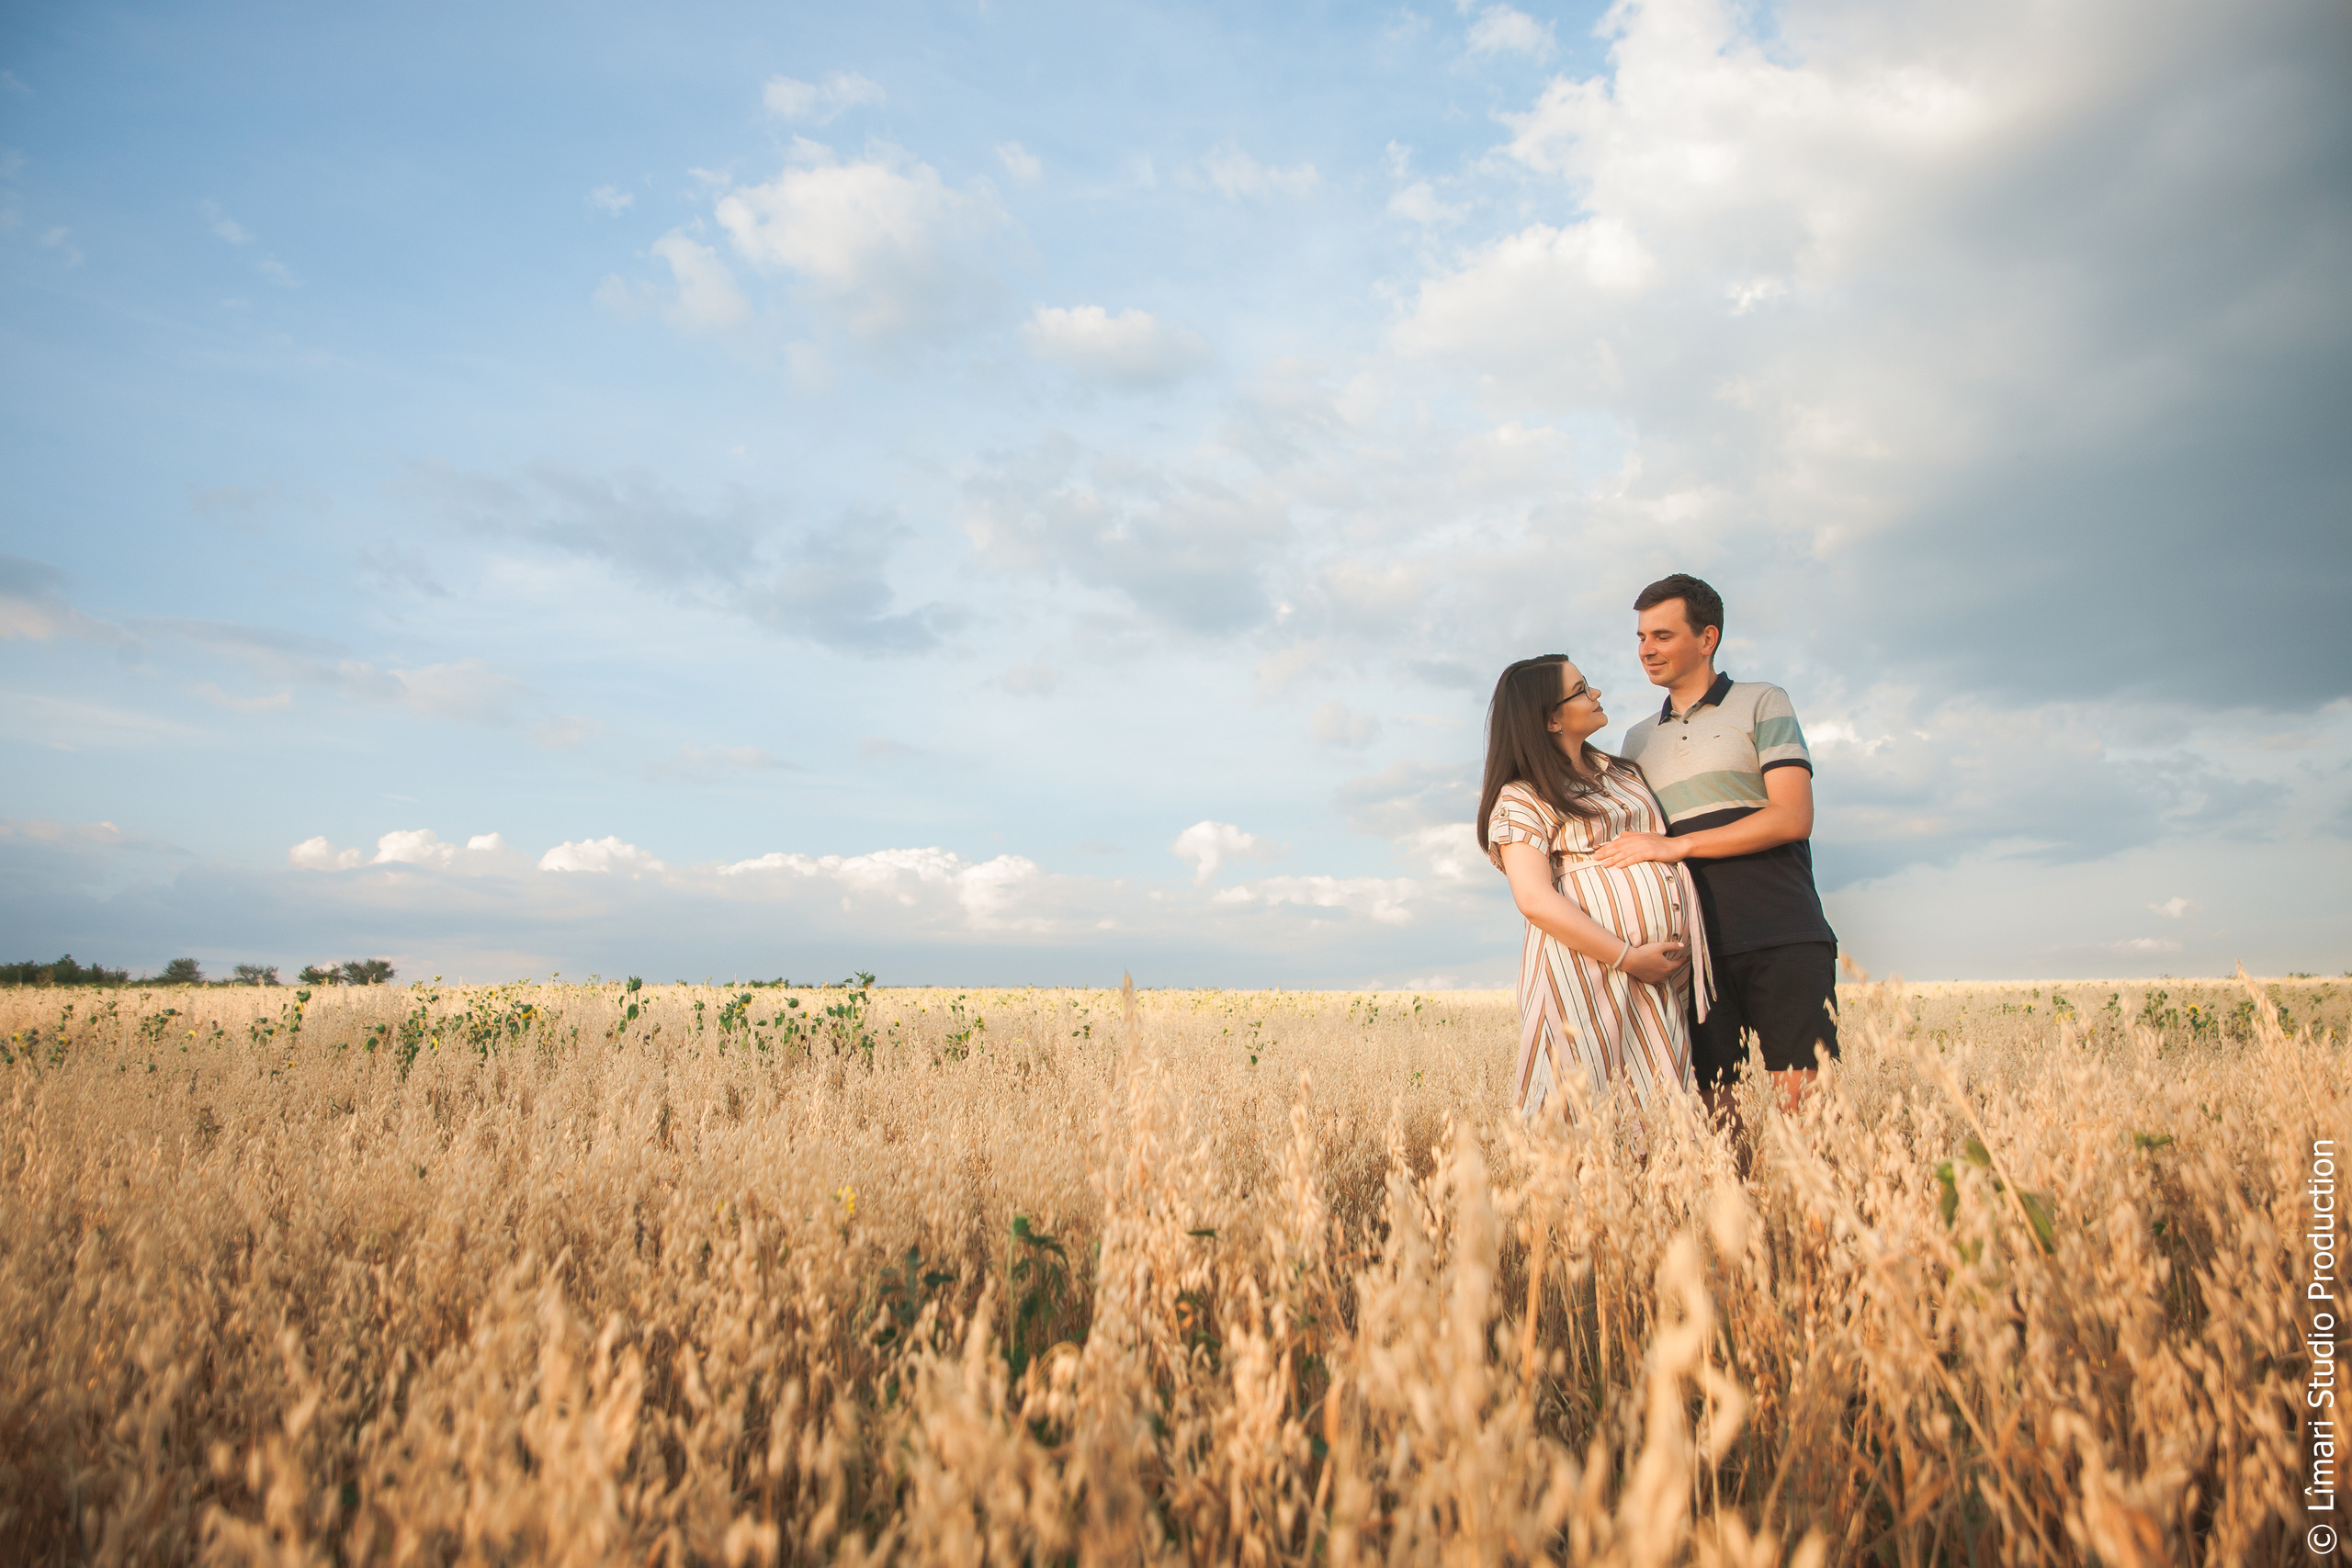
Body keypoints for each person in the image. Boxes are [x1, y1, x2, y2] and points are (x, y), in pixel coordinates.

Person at [1597, 574, 1838, 1116]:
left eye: (1661, 635)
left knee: (1811, 1119)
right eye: (1640, 637)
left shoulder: (1762, 702)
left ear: (1707, 639)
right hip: (1691, 951)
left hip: (1782, 933)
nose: (1646, 650)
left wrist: (1677, 847)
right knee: (1715, 1125)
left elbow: (1792, 817)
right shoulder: (1635, 740)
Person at [1479, 654, 1712, 1121]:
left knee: (1660, 1105)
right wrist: (1629, 956)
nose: (1596, 694)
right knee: (1584, 1107)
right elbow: (1534, 899)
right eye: (1582, 690)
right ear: (1550, 718)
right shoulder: (1523, 795)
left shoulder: (1624, 774)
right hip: (1585, 970)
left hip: (1655, 975)